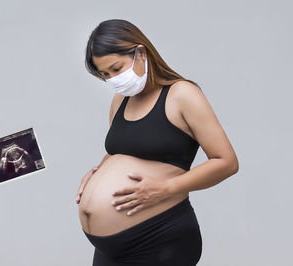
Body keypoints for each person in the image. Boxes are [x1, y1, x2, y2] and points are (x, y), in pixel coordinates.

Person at [76, 19, 239, 265]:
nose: (112, 80)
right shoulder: (121, 100)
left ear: (140, 52)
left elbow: (227, 162)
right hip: (111, 249)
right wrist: (97, 173)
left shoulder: (182, 94)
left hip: (160, 238)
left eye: (116, 68)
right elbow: (120, 152)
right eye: (105, 75)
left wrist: (166, 189)